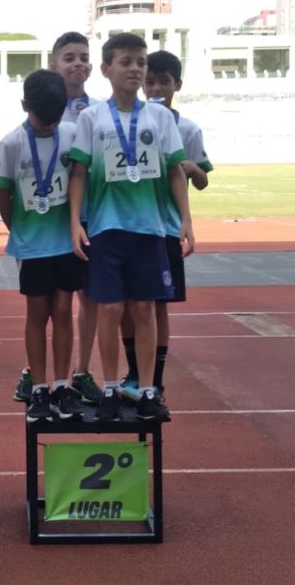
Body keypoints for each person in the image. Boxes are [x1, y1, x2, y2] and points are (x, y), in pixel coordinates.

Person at [68, 33, 193, 422]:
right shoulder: (92, 118)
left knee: (144, 308)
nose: (135, 69)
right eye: (126, 62)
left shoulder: (159, 117)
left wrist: (185, 219)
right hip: (107, 228)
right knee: (109, 308)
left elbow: (175, 170)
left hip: (152, 228)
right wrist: (75, 221)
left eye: (140, 62)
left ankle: (147, 389)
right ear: (106, 69)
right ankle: (108, 387)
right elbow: (79, 173)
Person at [16, 33, 105, 405]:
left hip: (88, 218)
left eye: (84, 57)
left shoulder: (100, 110)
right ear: (54, 64)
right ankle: (35, 375)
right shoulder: (42, 107)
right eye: (69, 57)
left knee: (86, 298)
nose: (77, 63)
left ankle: (79, 371)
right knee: (40, 303)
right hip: (43, 226)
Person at [120, 50, 213, 398]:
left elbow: (203, 181)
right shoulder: (129, 121)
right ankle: (133, 372)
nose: (157, 87)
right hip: (131, 223)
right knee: (129, 303)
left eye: (164, 81)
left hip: (167, 228)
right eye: (151, 81)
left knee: (157, 304)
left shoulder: (187, 129)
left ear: (177, 84)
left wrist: (191, 168)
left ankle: (154, 377)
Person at [0, 70, 85, 422]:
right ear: (24, 107)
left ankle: (62, 385)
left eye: (55, 119)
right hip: (32, 244)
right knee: (37, 313)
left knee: (63, 310)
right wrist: (17, 229)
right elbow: (3, 191)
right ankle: (38, 388)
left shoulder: (72, 134)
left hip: (65, 240)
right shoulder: (12, 143)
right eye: (41, 119)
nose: (49, 126)